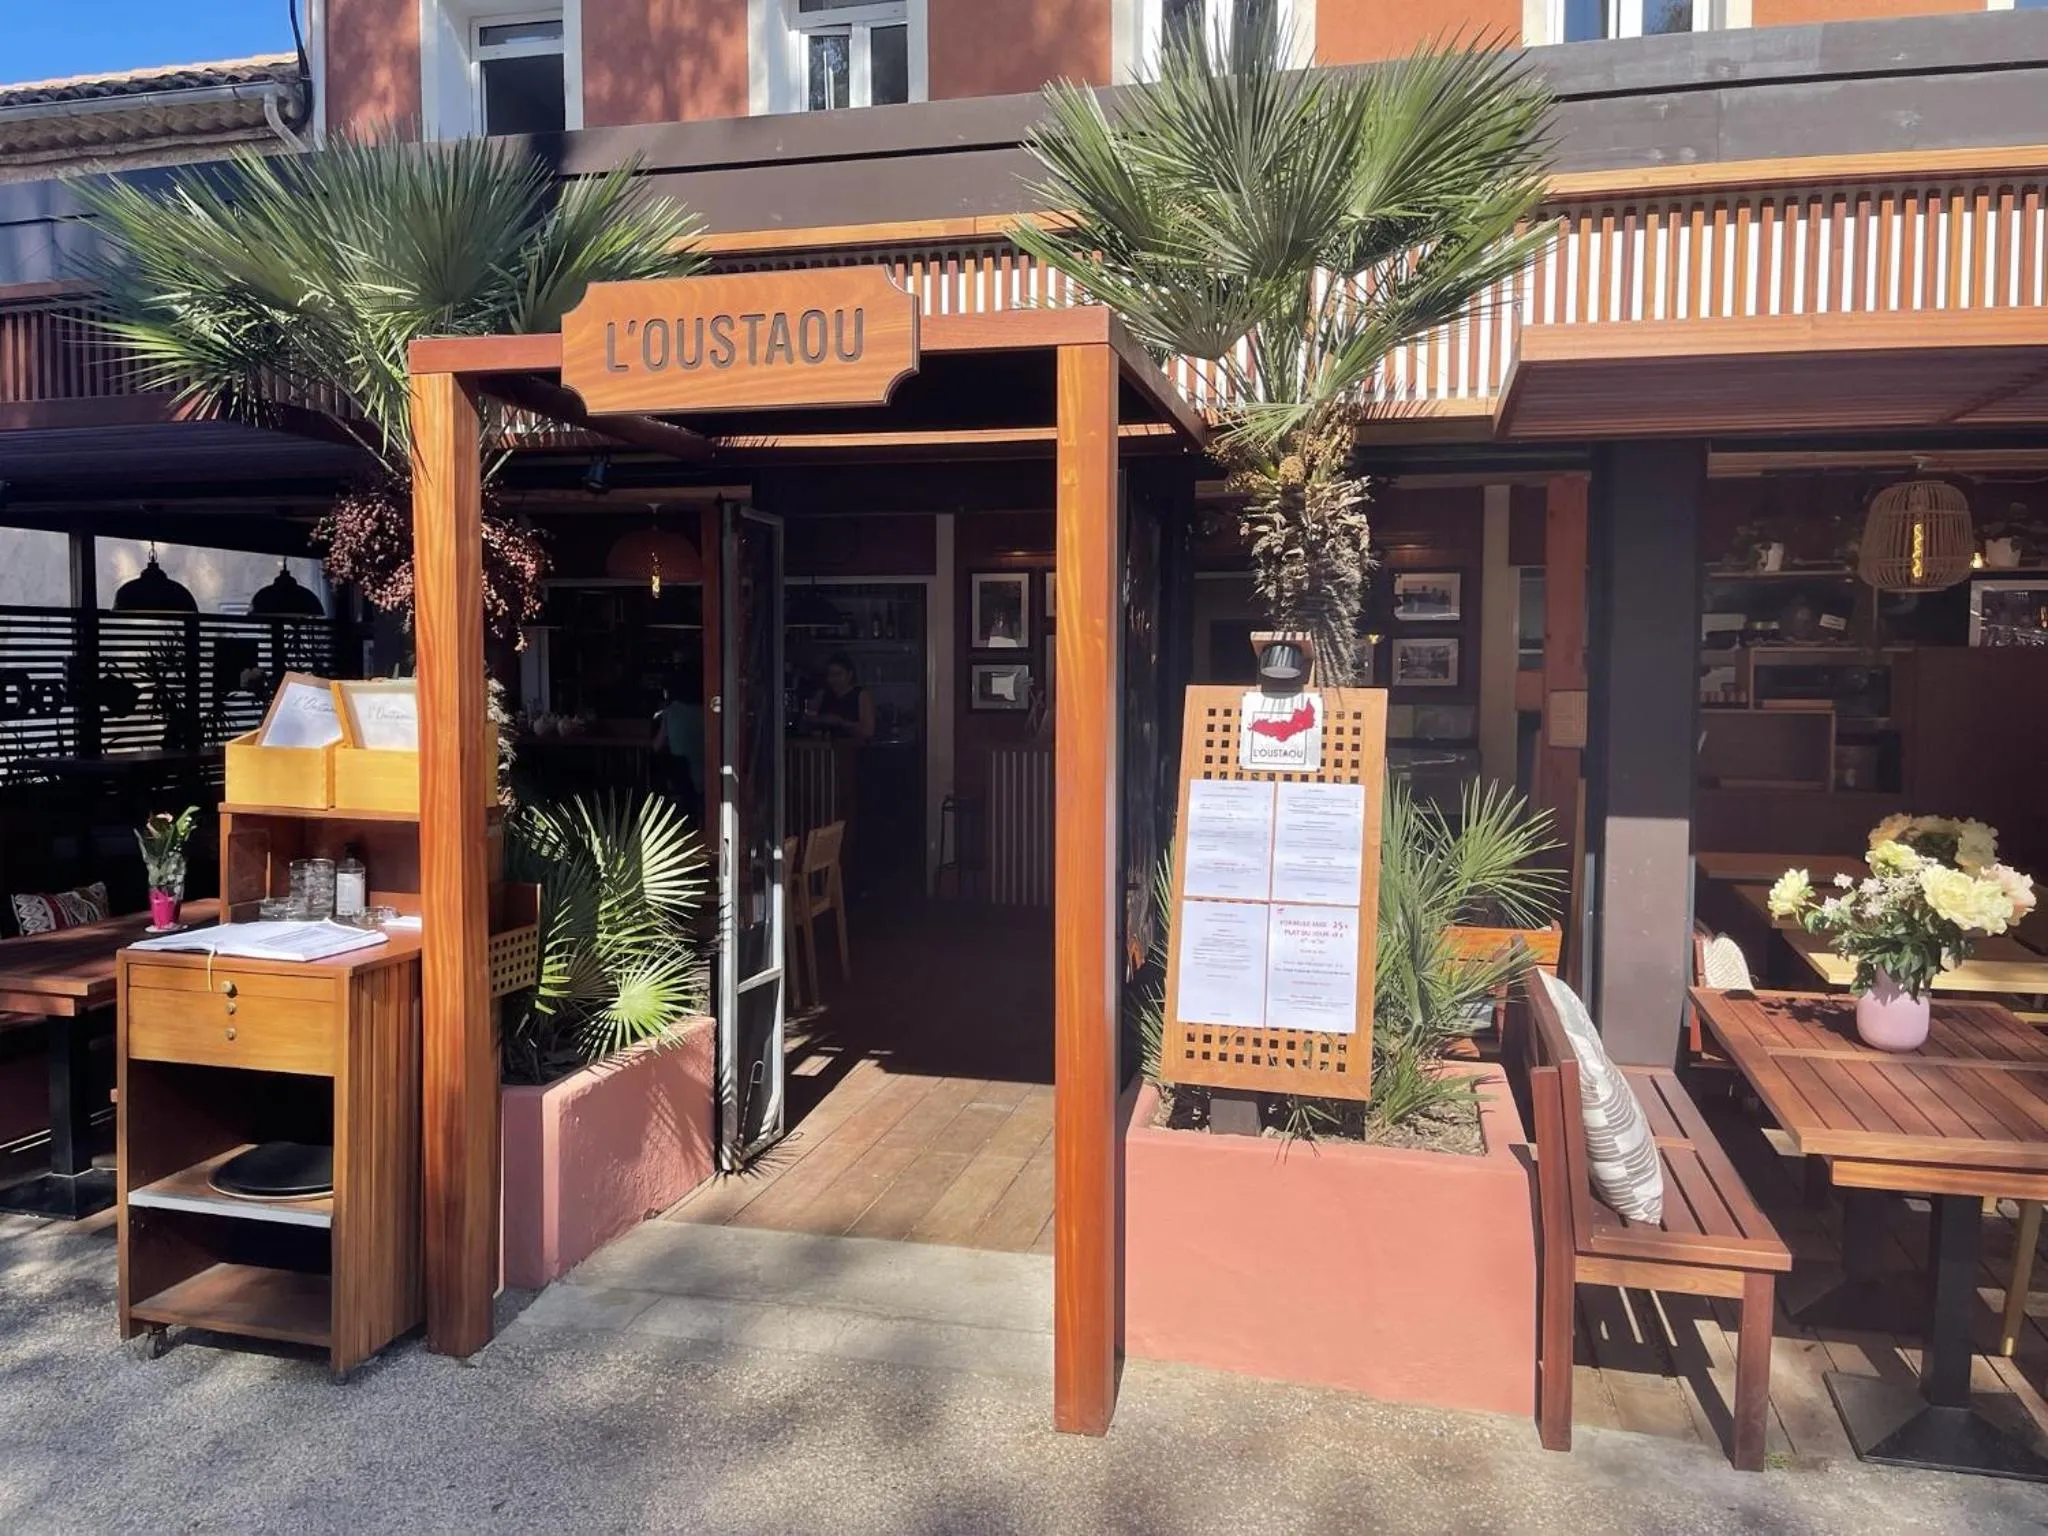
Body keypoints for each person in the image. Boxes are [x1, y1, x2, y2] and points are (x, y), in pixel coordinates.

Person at [651, 672, 705, 804]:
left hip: (683, 776)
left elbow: (656, 746)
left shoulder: (670, 712)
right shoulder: (705, 711)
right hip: (706, 773)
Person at [804, 653, 876, 742]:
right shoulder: (823, 694)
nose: (833, 679)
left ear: (849, 675)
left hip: (854, 750)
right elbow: (808, 720)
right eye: (830, 675)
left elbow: (868, 732)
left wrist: (841, 722)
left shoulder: (861, 696)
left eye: (837, 675)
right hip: (825, 750)